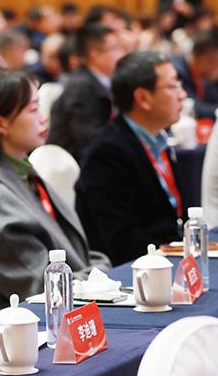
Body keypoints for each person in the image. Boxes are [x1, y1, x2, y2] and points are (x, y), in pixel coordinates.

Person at [0, 68, 110, 310]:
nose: (44, 118)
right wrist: (98, 276)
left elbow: (79, 256)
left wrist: (100, 271)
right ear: (1, 123)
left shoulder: (24, 175)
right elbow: (41, 288)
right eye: (33, 109)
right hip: (37, 321)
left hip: (76, 300)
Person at [76, 51, 186, 266]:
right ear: (143, 98)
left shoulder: (158, 139)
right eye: (172, 86)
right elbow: (123, 242)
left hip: (170, 257)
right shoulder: (107, 155)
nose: (182, 94)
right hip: (139, 270)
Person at [47, 24, 125, 162]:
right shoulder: (80, 87)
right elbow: (88, 139)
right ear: (94, 55)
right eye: (115, 48)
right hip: (74, 165)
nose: (121, 54)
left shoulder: (103, 80)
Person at [171, 30, 218, 119]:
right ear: (206, 60)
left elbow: (213, 99)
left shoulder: (202, 73)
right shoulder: (175, 71)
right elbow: (195, 108)